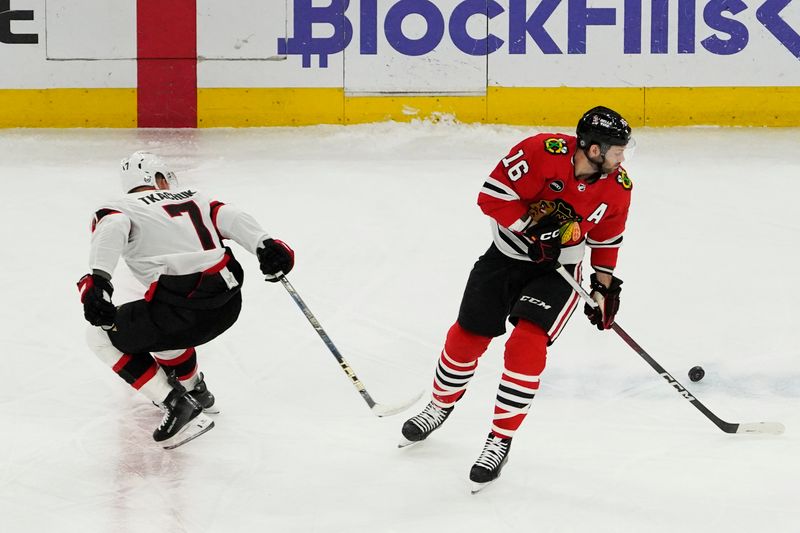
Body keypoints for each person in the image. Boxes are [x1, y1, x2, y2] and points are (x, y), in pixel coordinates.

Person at [399, 106, 635, 492]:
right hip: (505, 257)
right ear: (594, 149)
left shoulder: (617, 186)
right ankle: (439, 405)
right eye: (617, 151)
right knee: (467, 337)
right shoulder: (541, 152)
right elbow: (490, 197)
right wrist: (531, 231)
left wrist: (604, 287)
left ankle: (499, 439)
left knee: (526, 343)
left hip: (557, 273)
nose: (622, 158)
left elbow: (606, 238)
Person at [77, 151, 295, 449]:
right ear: (159, 179)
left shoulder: (119, 207)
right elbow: (228, 215)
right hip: (227, 305)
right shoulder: (195, 196)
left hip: (181, 313)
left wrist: (99, 280)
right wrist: (265, 245)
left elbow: (112, 228)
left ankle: (176, 403)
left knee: (100, 336)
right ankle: (196, 390)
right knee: (158, 327)